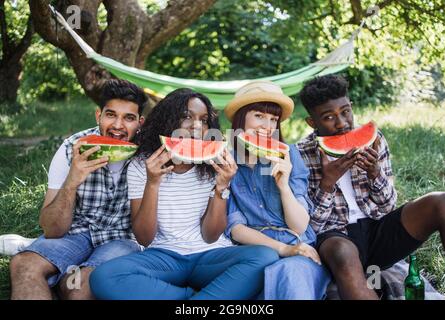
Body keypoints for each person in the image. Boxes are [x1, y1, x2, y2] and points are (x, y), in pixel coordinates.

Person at [89, 88, 279, 300]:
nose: (197, 126)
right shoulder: (142, 165)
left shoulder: (212, 165)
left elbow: (211, 235)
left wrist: (221, 188)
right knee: (104, 276)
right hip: (164, 257)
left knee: (264, 256)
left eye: (204, 120)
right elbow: (144, 237)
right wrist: (152, 183)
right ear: (168, 120)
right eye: (187, 116)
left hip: (210, 256)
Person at [297, 74, 445, 300]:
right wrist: (327, 183)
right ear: (312, 122)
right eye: (329, 117)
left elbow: (388, 206)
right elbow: (310, 227)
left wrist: (375, 172)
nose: (341, 123)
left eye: (345, 111)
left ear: (351, 106)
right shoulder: (300, 154)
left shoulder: (373, 139)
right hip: (335, 238)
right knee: (343, 252)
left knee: (443, 201)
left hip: (378, 231)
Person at [8, 79, 148, 300]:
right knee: (23, 264)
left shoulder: (148, 156)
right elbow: (52, 230)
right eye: (111, 114)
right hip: (75, 234)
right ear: (97, 116)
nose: (118, 126)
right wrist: (72, 181)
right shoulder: (71, 148)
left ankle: (62, 282)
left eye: (128, 118)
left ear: (140, 122)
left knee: (78, 288)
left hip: (122, 239)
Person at [223, 80, 331, 300]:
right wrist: (282, 249)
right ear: (240, 119)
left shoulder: (289, 154)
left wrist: (284, 186)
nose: (267, 126)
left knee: (288, 273)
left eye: (273, 119)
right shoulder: (227, 162)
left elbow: (300, 225)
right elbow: (236, 229)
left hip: (299, 248)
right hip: (255, 251)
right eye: (259, 116)